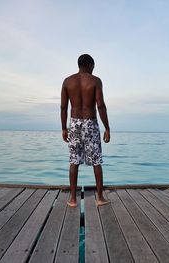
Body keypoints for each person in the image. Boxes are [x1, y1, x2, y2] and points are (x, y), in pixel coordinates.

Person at [61, 54, 110, 208]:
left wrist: (64, 128)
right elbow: (100, 105)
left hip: (74, 124)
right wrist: (107, 128)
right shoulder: (95, 81)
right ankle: (100, 198)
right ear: (90, 65)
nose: (94, 69)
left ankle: (73, 199)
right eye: (93, 66)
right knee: (96, 161)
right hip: (91, 124)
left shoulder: (68, 81)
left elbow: (63, 107)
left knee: (74, 160)